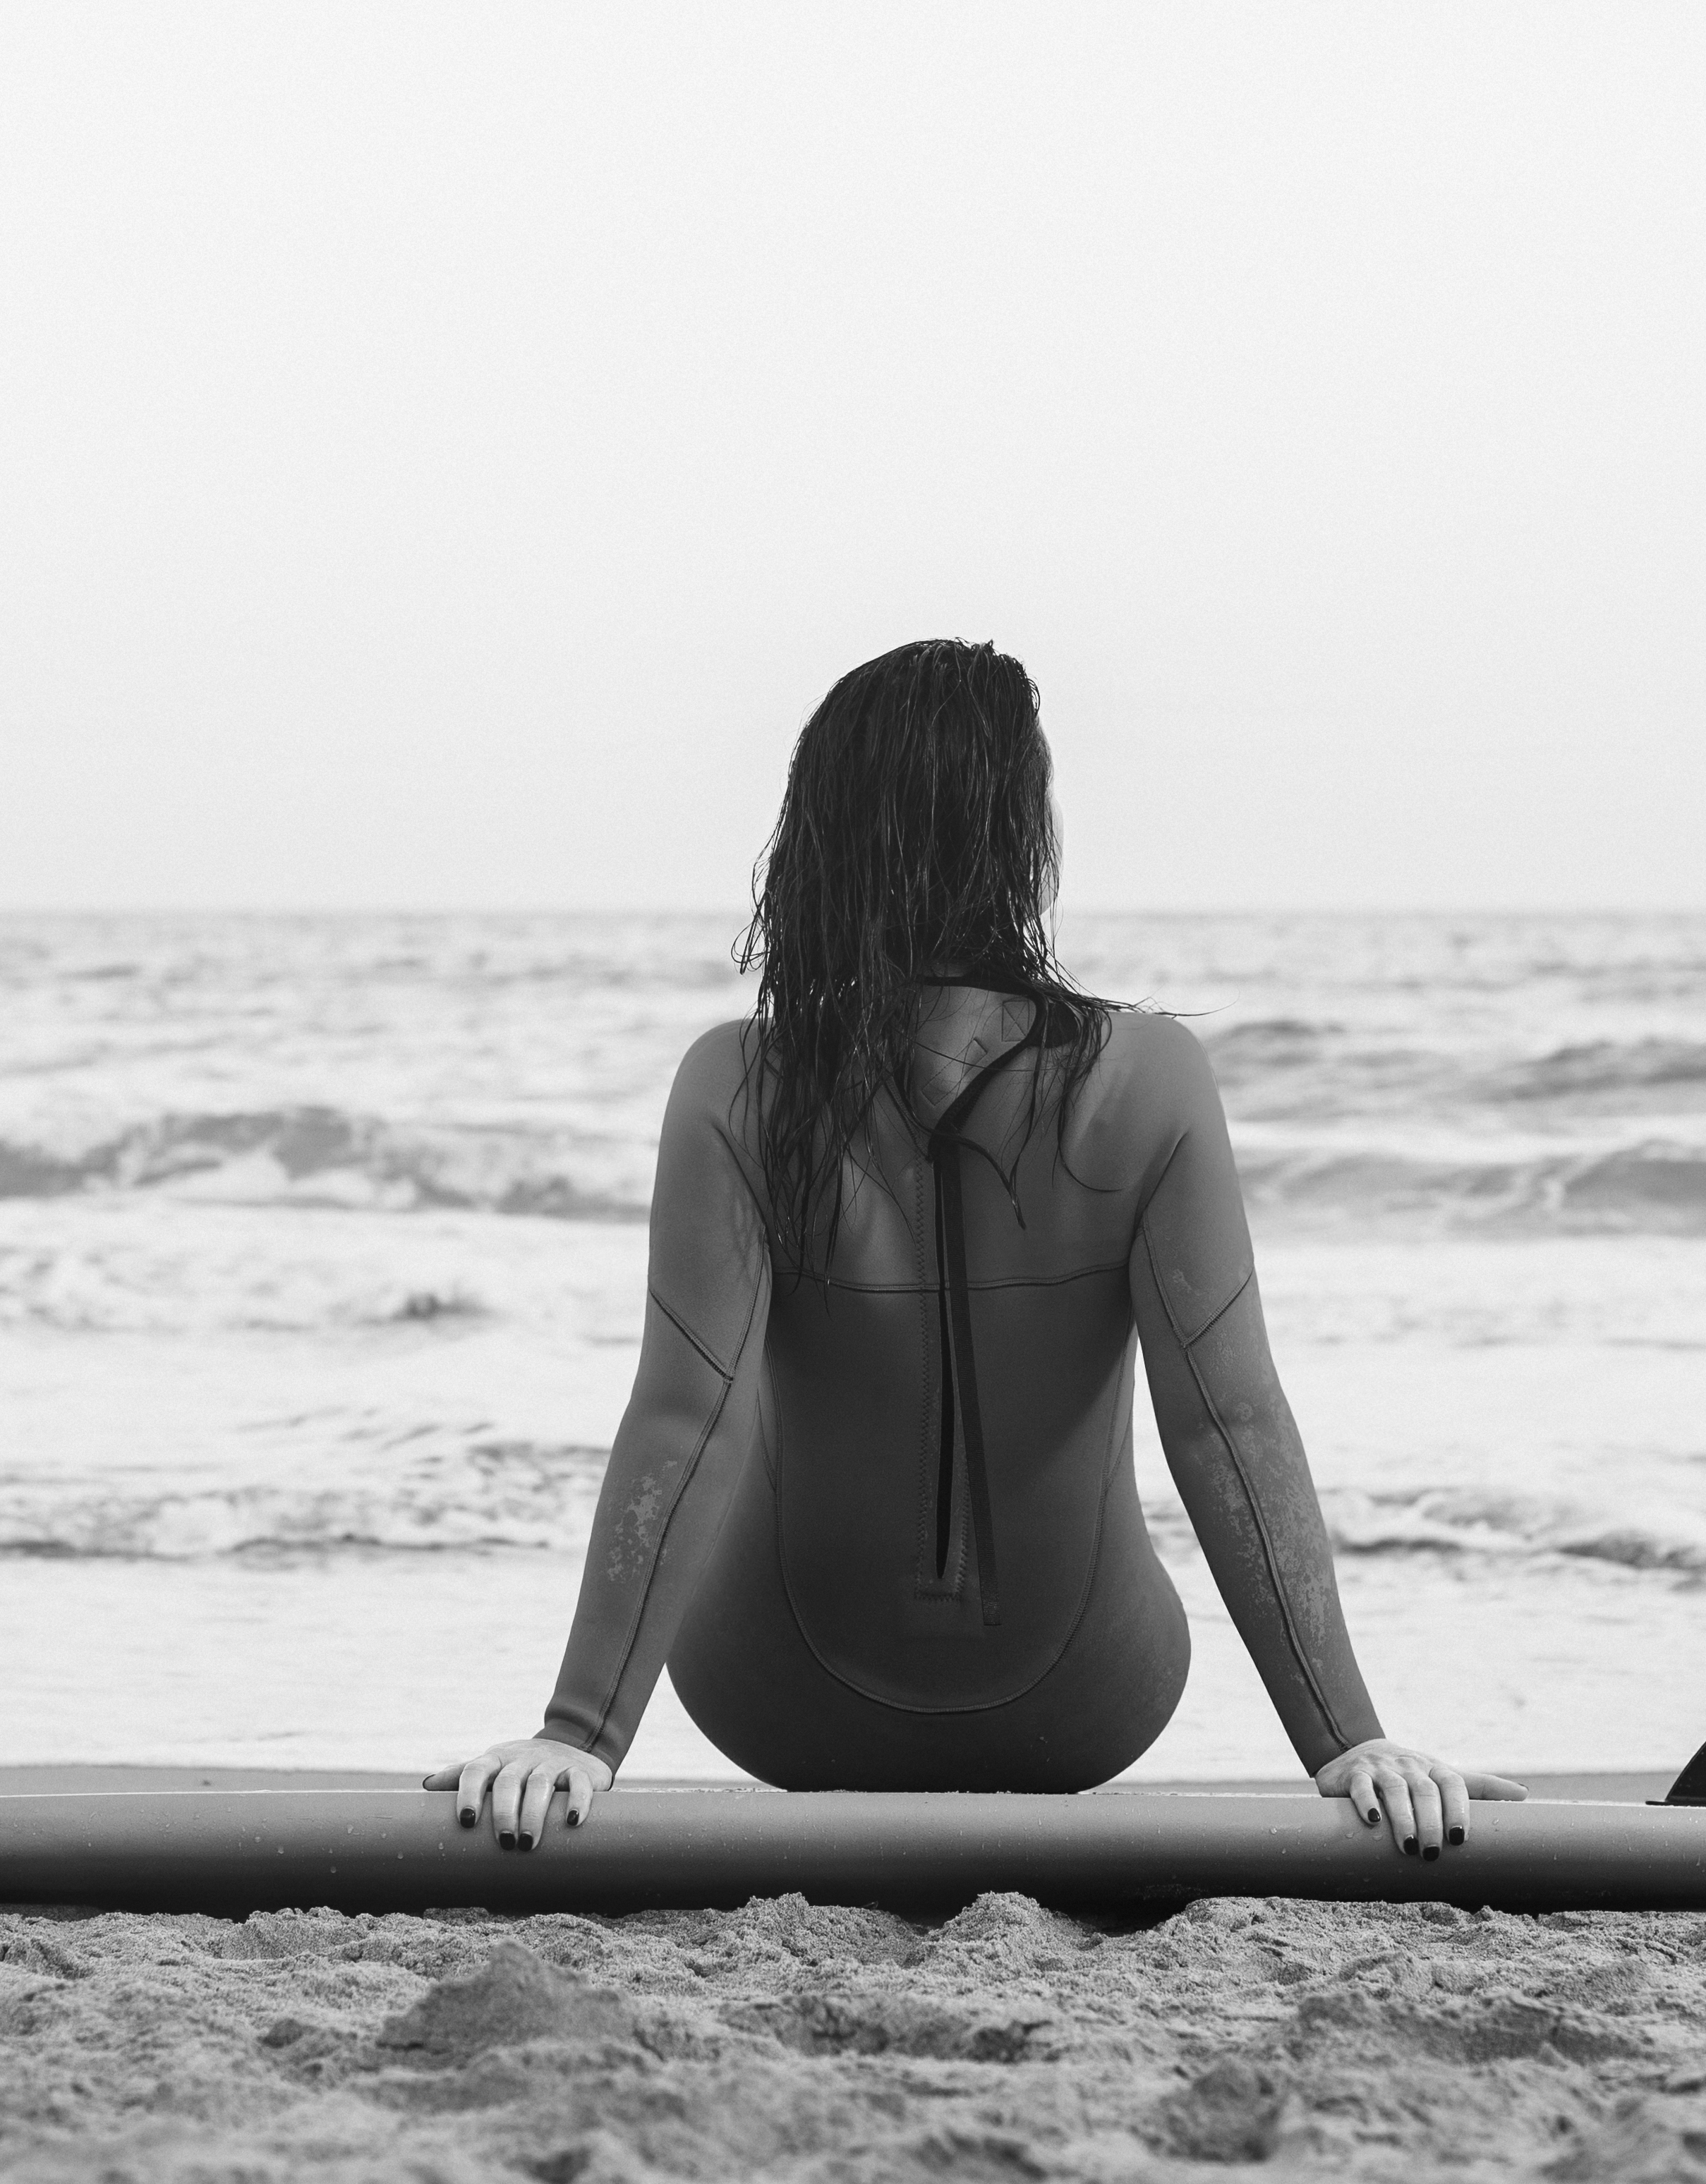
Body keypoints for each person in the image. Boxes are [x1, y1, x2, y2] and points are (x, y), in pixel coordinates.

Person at [428, 638, 1523, 1857]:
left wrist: (578, 1735)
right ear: (1022, 836)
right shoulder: (1147, 1081)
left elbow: (692, 1419)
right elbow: (1226, 1423)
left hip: (777, 1702)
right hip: (1085, 1705)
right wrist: (1349, 1743)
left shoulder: (740, 1084)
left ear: (822, 832)